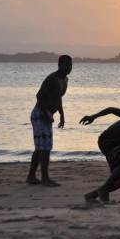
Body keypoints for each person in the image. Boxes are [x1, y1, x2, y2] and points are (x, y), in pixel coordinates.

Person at [26, 54, 72, 186]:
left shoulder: (65, 80)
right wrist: (46, 113)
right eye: (66, 65)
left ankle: (31, 176)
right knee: (45, 148)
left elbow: (58, 98)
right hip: (40, 113)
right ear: (59, 65)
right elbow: (39, 95)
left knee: (41, 147)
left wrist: (62, 115)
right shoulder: (52, 78)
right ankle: (45, 178)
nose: (69, 67)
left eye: (70, 65)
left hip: (48, 114)